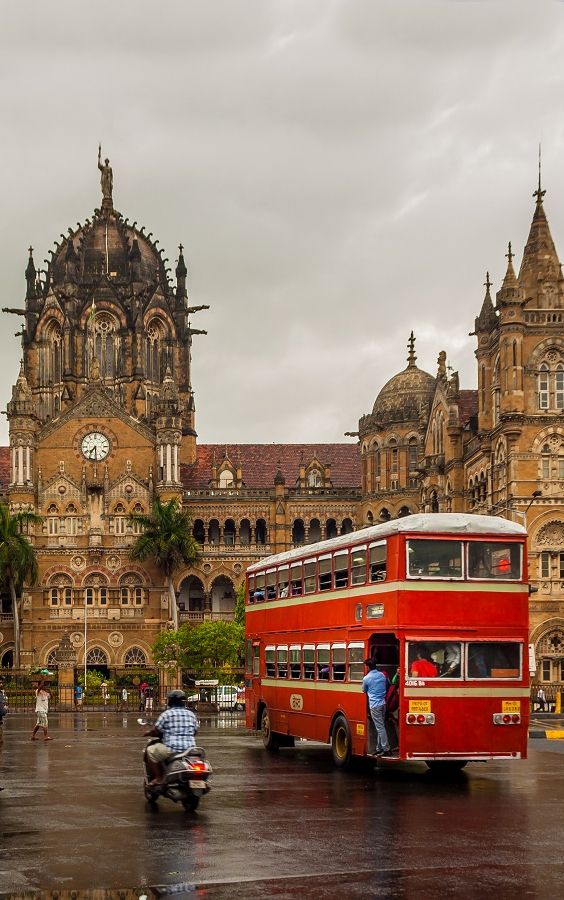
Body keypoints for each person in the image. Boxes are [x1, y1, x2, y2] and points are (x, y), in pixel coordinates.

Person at [143, 689, 199, 786]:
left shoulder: (167, 714)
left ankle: (159, 778)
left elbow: (156, 730)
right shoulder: (191, 714)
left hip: (172, 749)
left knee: (150, 751)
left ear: (171, 701)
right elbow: (195, 731)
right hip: (190, 750)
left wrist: (148, 733)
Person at [362, 657, 390, 756]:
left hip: (374, 705)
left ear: (368, 667)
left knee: (380, 727)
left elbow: (364, 690)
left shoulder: (366, 678)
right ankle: (379, 748)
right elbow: (387, 685)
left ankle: (386, 748)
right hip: (383, 703)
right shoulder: (382, 675)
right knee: (380, 726)